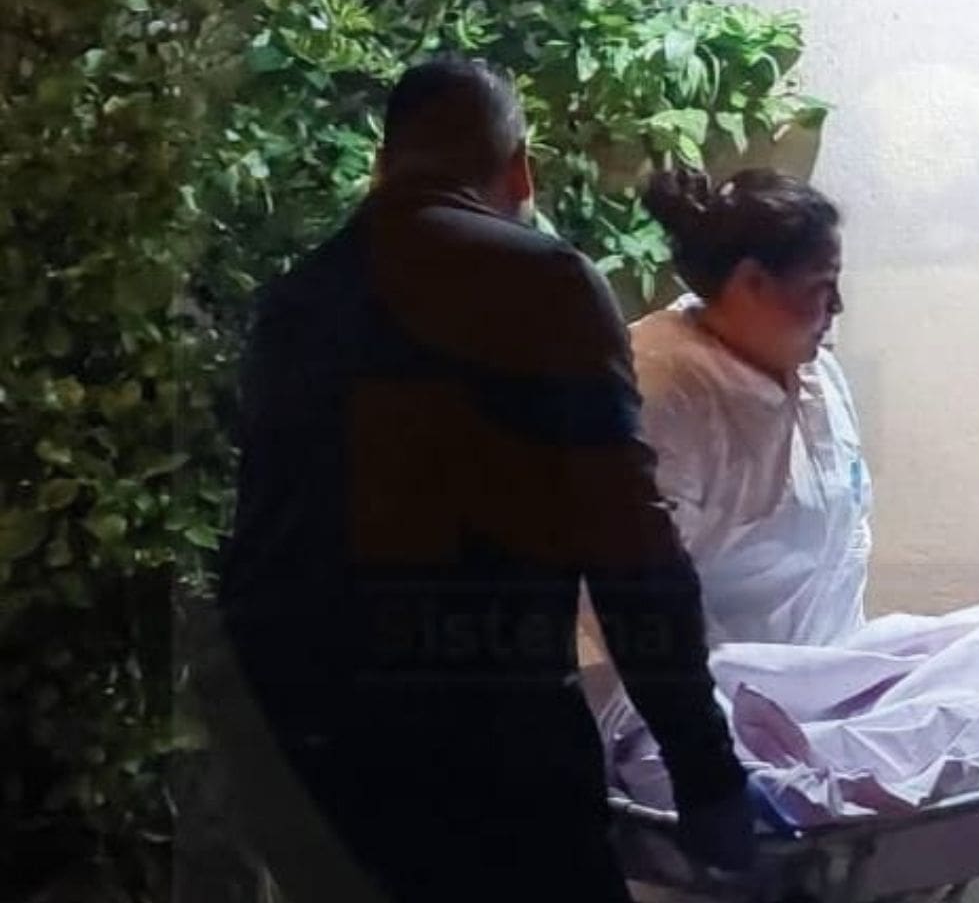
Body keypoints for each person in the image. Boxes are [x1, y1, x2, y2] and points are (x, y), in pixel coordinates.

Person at [215, 58, 754, 903]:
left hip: (305, 744)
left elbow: (266, 532)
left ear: (382, 167)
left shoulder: (294, 301)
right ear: (520, 170)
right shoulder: (544, 282)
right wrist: (704, 766)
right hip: (485, 746)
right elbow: (628, 541)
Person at [623, 167, 871, 648]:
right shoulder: (663, 397)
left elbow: (848, 540)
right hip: (723, 683)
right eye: (822, 285)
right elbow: (645, 605)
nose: (837, 306)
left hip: (836, 666)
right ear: (752, 282)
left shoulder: (818, 372)